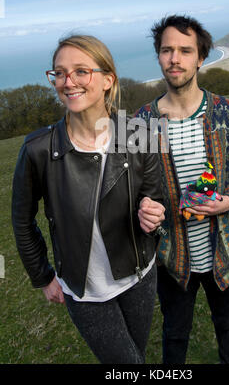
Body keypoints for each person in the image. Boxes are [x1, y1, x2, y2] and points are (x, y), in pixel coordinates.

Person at [11, 34, 165, 364]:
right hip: (87, 291)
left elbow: (156, 195)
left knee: (135, 357)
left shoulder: (138, 133)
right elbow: (22, 221)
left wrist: (154, 212)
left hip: (141, 275)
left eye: (82, 71)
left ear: (108, 79)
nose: (69, 82)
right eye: (60, 73)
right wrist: (42, 276)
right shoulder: (38, 149)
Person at [135, 15, 229, 364]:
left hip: (227, 253)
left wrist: (227, 201)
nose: (174, 58)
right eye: (166, 50)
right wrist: (141, 209)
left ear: (201, 58)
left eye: (184, 50)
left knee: (228, 325)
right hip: (170, 257)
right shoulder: (139, 123)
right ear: (159, 56)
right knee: (174, 333)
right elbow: (127, 189)